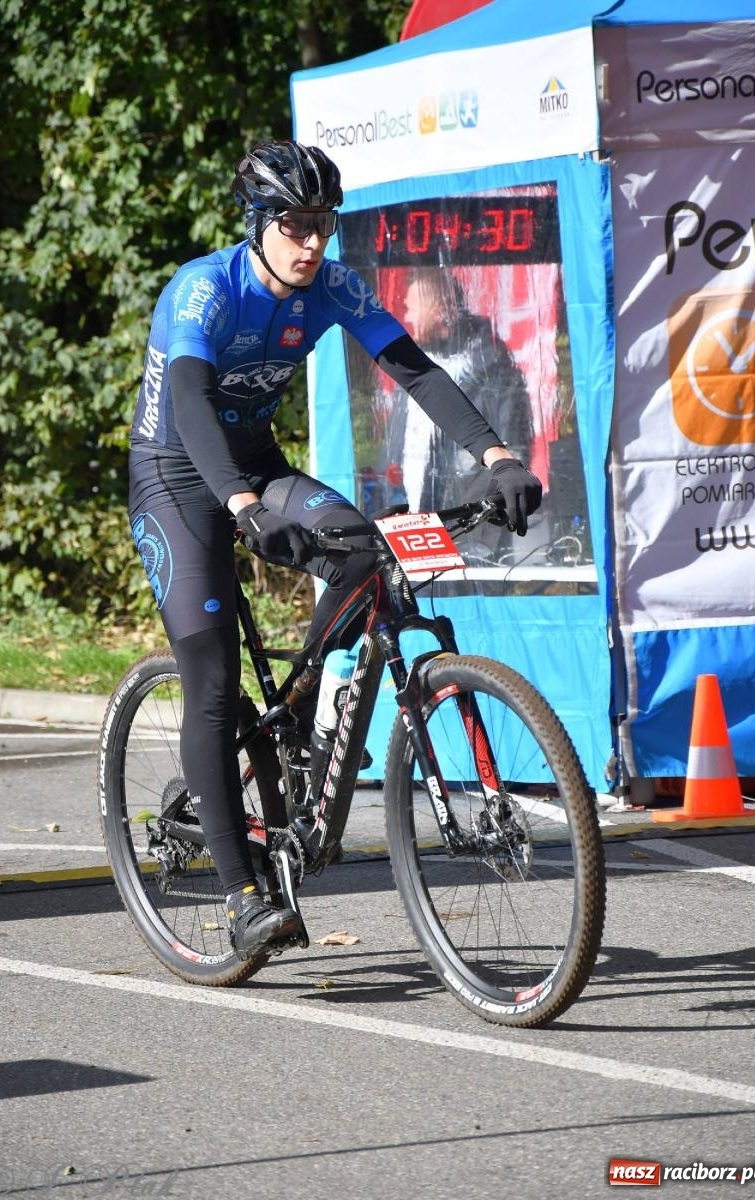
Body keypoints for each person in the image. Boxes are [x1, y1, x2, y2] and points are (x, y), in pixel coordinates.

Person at [128, 140, 542, 962]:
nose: (313, 241)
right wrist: (242, 506)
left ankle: (298, 721)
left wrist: (496, 457)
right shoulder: (206, 290)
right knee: (212, 682)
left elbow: (414, 369)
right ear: (258, 224)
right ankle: (244, 895)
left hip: (255, 464)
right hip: (177, 473)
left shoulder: (334, 287)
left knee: (363, 554)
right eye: (294, 224)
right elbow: (188, 403)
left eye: (322, 222)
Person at [383, 269, 533, 558]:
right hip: (406, 529)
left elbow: (513, 455)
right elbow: (394, 453)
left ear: (440, 311)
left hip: (467, 535)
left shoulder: (495, 373)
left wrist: (461, 531)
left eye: (414, 308)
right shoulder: (414, 367)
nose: (409, 318)